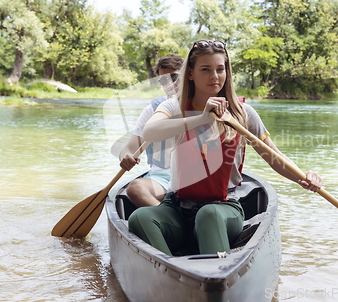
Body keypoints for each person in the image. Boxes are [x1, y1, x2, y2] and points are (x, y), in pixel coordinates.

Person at [127, 40, 323, 255]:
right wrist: (201, 118)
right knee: (140, 217)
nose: (215, 76)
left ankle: (215, 274)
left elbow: (274, 156)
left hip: (224, 207)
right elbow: (150, 132)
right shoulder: (174, 106)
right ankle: (169, 268)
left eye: (220, 69)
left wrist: (304, 177)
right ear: (190, 73)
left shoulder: (243, 113)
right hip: (177, 206)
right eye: (206, 69)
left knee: (208, 215)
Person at [118, 54, 184, 207]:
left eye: (174, 77)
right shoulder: (152, 111)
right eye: (163, 80)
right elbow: (129, 148)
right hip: (161, 178)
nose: (169, 84)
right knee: (135, 189)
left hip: (192, 177)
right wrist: (125, 156)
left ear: (188, 76)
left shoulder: (201, 107)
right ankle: (168, 217)